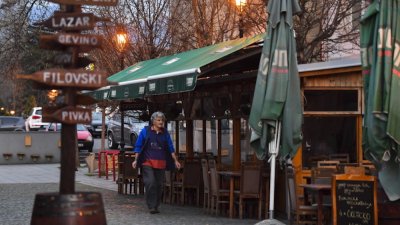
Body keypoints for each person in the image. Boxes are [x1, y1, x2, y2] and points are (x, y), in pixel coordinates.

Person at [132, 111, 181, 214]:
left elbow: (171, 147)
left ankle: (156, 205)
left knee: (159, 185)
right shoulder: (145, 131)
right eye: (158, 120)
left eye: (162, 120)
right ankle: (151, 206)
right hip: (147, 162)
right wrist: (136, 160)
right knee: (150, 182)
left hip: (161, 163)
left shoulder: (165, 133)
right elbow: (138, 146)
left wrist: (175, 160)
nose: (161, 122)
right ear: (153, 121)